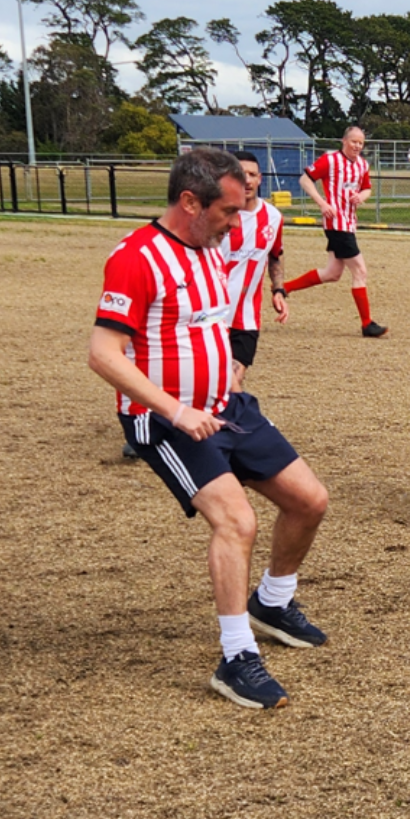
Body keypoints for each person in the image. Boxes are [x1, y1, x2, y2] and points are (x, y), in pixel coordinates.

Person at [89, 148, 330, 710]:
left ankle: (272, 602)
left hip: (228, 406)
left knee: (310, 501)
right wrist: (176, 410)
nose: (237, 220)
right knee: (236, 521)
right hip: (167, 421)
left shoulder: (210, 248)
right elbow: (103, 354)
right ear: (190, 202)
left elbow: (200, 329)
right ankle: (236, 656)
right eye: (227, 209)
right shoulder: (136, 258)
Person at [283, 126, 387, 338]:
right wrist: (322, 203)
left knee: (332, 273)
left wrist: (362, 197)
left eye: (361, 143)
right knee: (360, 271)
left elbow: (367, 188)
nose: (357, 146)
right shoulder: (330, 160)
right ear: (344, 141)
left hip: (349, 224)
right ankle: (367, 324)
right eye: (354, 141)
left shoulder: (362, 164)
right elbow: (305, 179)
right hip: (336, 224)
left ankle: (284, 288)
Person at [220, 150, 289, 393]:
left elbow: (275, 255)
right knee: (212, 381)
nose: (246, 180)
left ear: (260, 178)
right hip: (209, 315)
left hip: (245, 318)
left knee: (233, 381)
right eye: (240, 174)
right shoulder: (215, 215)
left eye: (251, 174)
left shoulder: (273, 217)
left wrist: (278, 289)